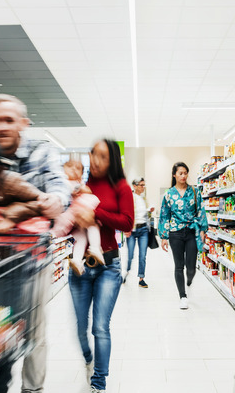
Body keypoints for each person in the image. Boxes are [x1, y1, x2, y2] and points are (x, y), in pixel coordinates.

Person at [0, 94, 71, 393]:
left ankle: (32, 389)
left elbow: (60, 186)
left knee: (34, 331)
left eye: (8, 120)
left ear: (24, 123)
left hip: (33, 259)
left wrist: (55, 199)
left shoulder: (41, 151)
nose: (1, 127)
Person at [69, 139, 133, 393]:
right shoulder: (81, 185)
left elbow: (127, 222)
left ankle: (99, 382)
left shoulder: (121, 187)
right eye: (93, 153)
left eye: (103, 156)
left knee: (100, 327)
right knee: (80, 328)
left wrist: (96, 214)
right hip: (80, 265)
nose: (95, 159)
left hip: (108, 264)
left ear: (113, 161)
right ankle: (88, 359)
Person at [159, 162, 207, 310]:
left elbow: (200, 210)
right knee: (179, 265)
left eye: (185, 173)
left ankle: (190, 278)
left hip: (191, 230)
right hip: (175, 233)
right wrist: (164, 236)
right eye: (180, 173)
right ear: (174, 175)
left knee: (191, 266)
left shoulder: (194, 191)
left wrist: (203, 229)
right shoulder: (169, 194)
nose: (183, 176)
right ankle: (183, 296)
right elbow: (164, 215)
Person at [51, 159, 105, 276]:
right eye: (70, 167)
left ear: (82, 173)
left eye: (78, 168)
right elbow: (72, 190)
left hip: (76, 213)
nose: (74, 170)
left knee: (81, 237)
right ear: (63, 170)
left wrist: (82, 187)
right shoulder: (63, 181)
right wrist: (78, 189)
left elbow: (87, 190)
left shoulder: (79, 182)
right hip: (72, 212)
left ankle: (77, 259)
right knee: (92, 225)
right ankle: (95, 247)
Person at [124, 177, 153, 288]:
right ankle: (126, 272)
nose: (143, 187)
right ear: (135, 186)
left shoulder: (144, 199)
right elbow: (127, 212)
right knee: (130, 254)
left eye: (144, 185)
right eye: (141, 185)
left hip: (143, 230)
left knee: (142, 255)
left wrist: (149, 210)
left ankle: (141, 278)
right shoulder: (130, 197)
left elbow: (143, 213)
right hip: (132, 230)